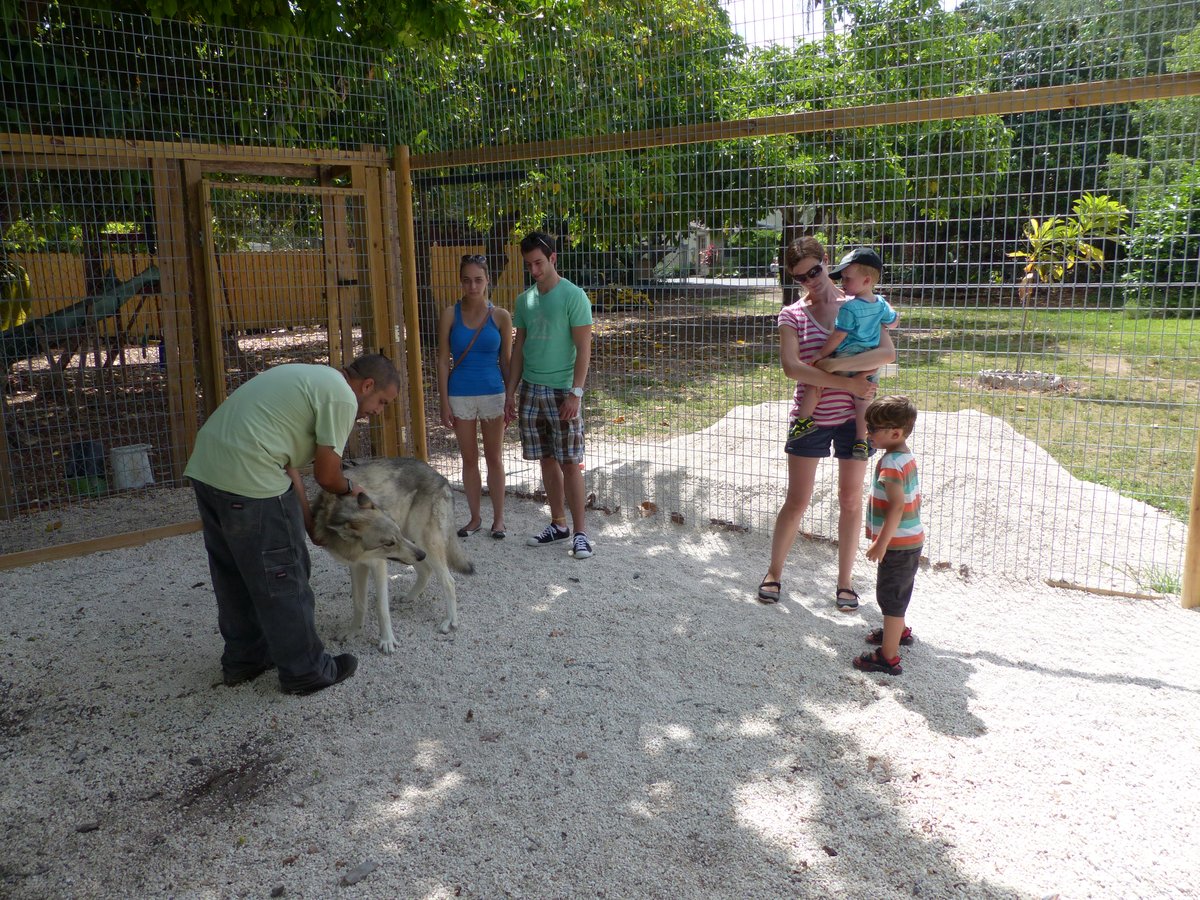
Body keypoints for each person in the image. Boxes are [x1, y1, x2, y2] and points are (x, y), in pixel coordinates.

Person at [184, 354, 401, 695]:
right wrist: (352, 488)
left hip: (209, 471)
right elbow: (327, 476)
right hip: (249, 476)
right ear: (367, 385)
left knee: (234, 571)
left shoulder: (313, 378)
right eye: (382, 402)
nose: (378, 411)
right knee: (285, 572)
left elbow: (290, 468)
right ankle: (306, 670)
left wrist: (309, 523)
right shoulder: (342, 396)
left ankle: (245, 659)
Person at [757, 237, 896, 612]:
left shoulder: (862, 304)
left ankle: (845, 582)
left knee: (851, 500)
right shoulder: (792, 314)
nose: (811, 280)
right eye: (800, 277)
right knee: (797, 500)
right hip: (810, 417)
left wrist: (832, 372)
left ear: (826, 261)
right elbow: (792, 368)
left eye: (814, 271)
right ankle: (773, 572)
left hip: (855, 419)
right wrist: (848, 382)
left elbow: (887, 352)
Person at [503, 231, 595, 560]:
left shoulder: (573, 296)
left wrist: (576, 393)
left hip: (563, 390)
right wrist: (510, 393)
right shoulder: (524, 300)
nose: (535, 270)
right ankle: (558, 523)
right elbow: (519, 350)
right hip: (531, 388)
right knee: (546, 457)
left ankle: (582, 534)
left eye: (539, 262)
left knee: (571, 462)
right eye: (529, 265)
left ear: (553, 258)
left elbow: (584, 349)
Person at [791, 247, 898, 461]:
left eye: (847, 279)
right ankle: (861, 440)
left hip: (845, 356)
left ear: (866, 280)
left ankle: (804, 420)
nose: (843, 283)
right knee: (863, 401)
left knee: (817, 380)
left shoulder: (849, 308)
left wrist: (824, 357)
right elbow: (893, 322)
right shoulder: (881, 304)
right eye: (800, 277)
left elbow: (838, 337)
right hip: (868, 364)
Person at [437, 253, 513, 540]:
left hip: (494, 392)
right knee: (469, 459)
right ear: (461, 281)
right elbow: (443, 360)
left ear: (487, 280)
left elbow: (505, 362)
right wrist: (443, 402)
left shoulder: (501, 316)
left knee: (495, 458)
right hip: (460, 394)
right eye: (467, 280)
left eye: (478, 280)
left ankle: (499, 520)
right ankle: (474, 518)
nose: (473, 286)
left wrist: (510, 396)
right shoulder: (449, 314)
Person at [853, 395, 923, 676]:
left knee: (891, 598)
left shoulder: (892, 464)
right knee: (899, 591)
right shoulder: (904, 456)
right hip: (911, 540)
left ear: (895, 433)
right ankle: (898, 632)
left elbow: (897, 506)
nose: (868, 433)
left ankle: (888, 657)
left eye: (873, 428)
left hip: (897, 544)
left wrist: (881, 543)